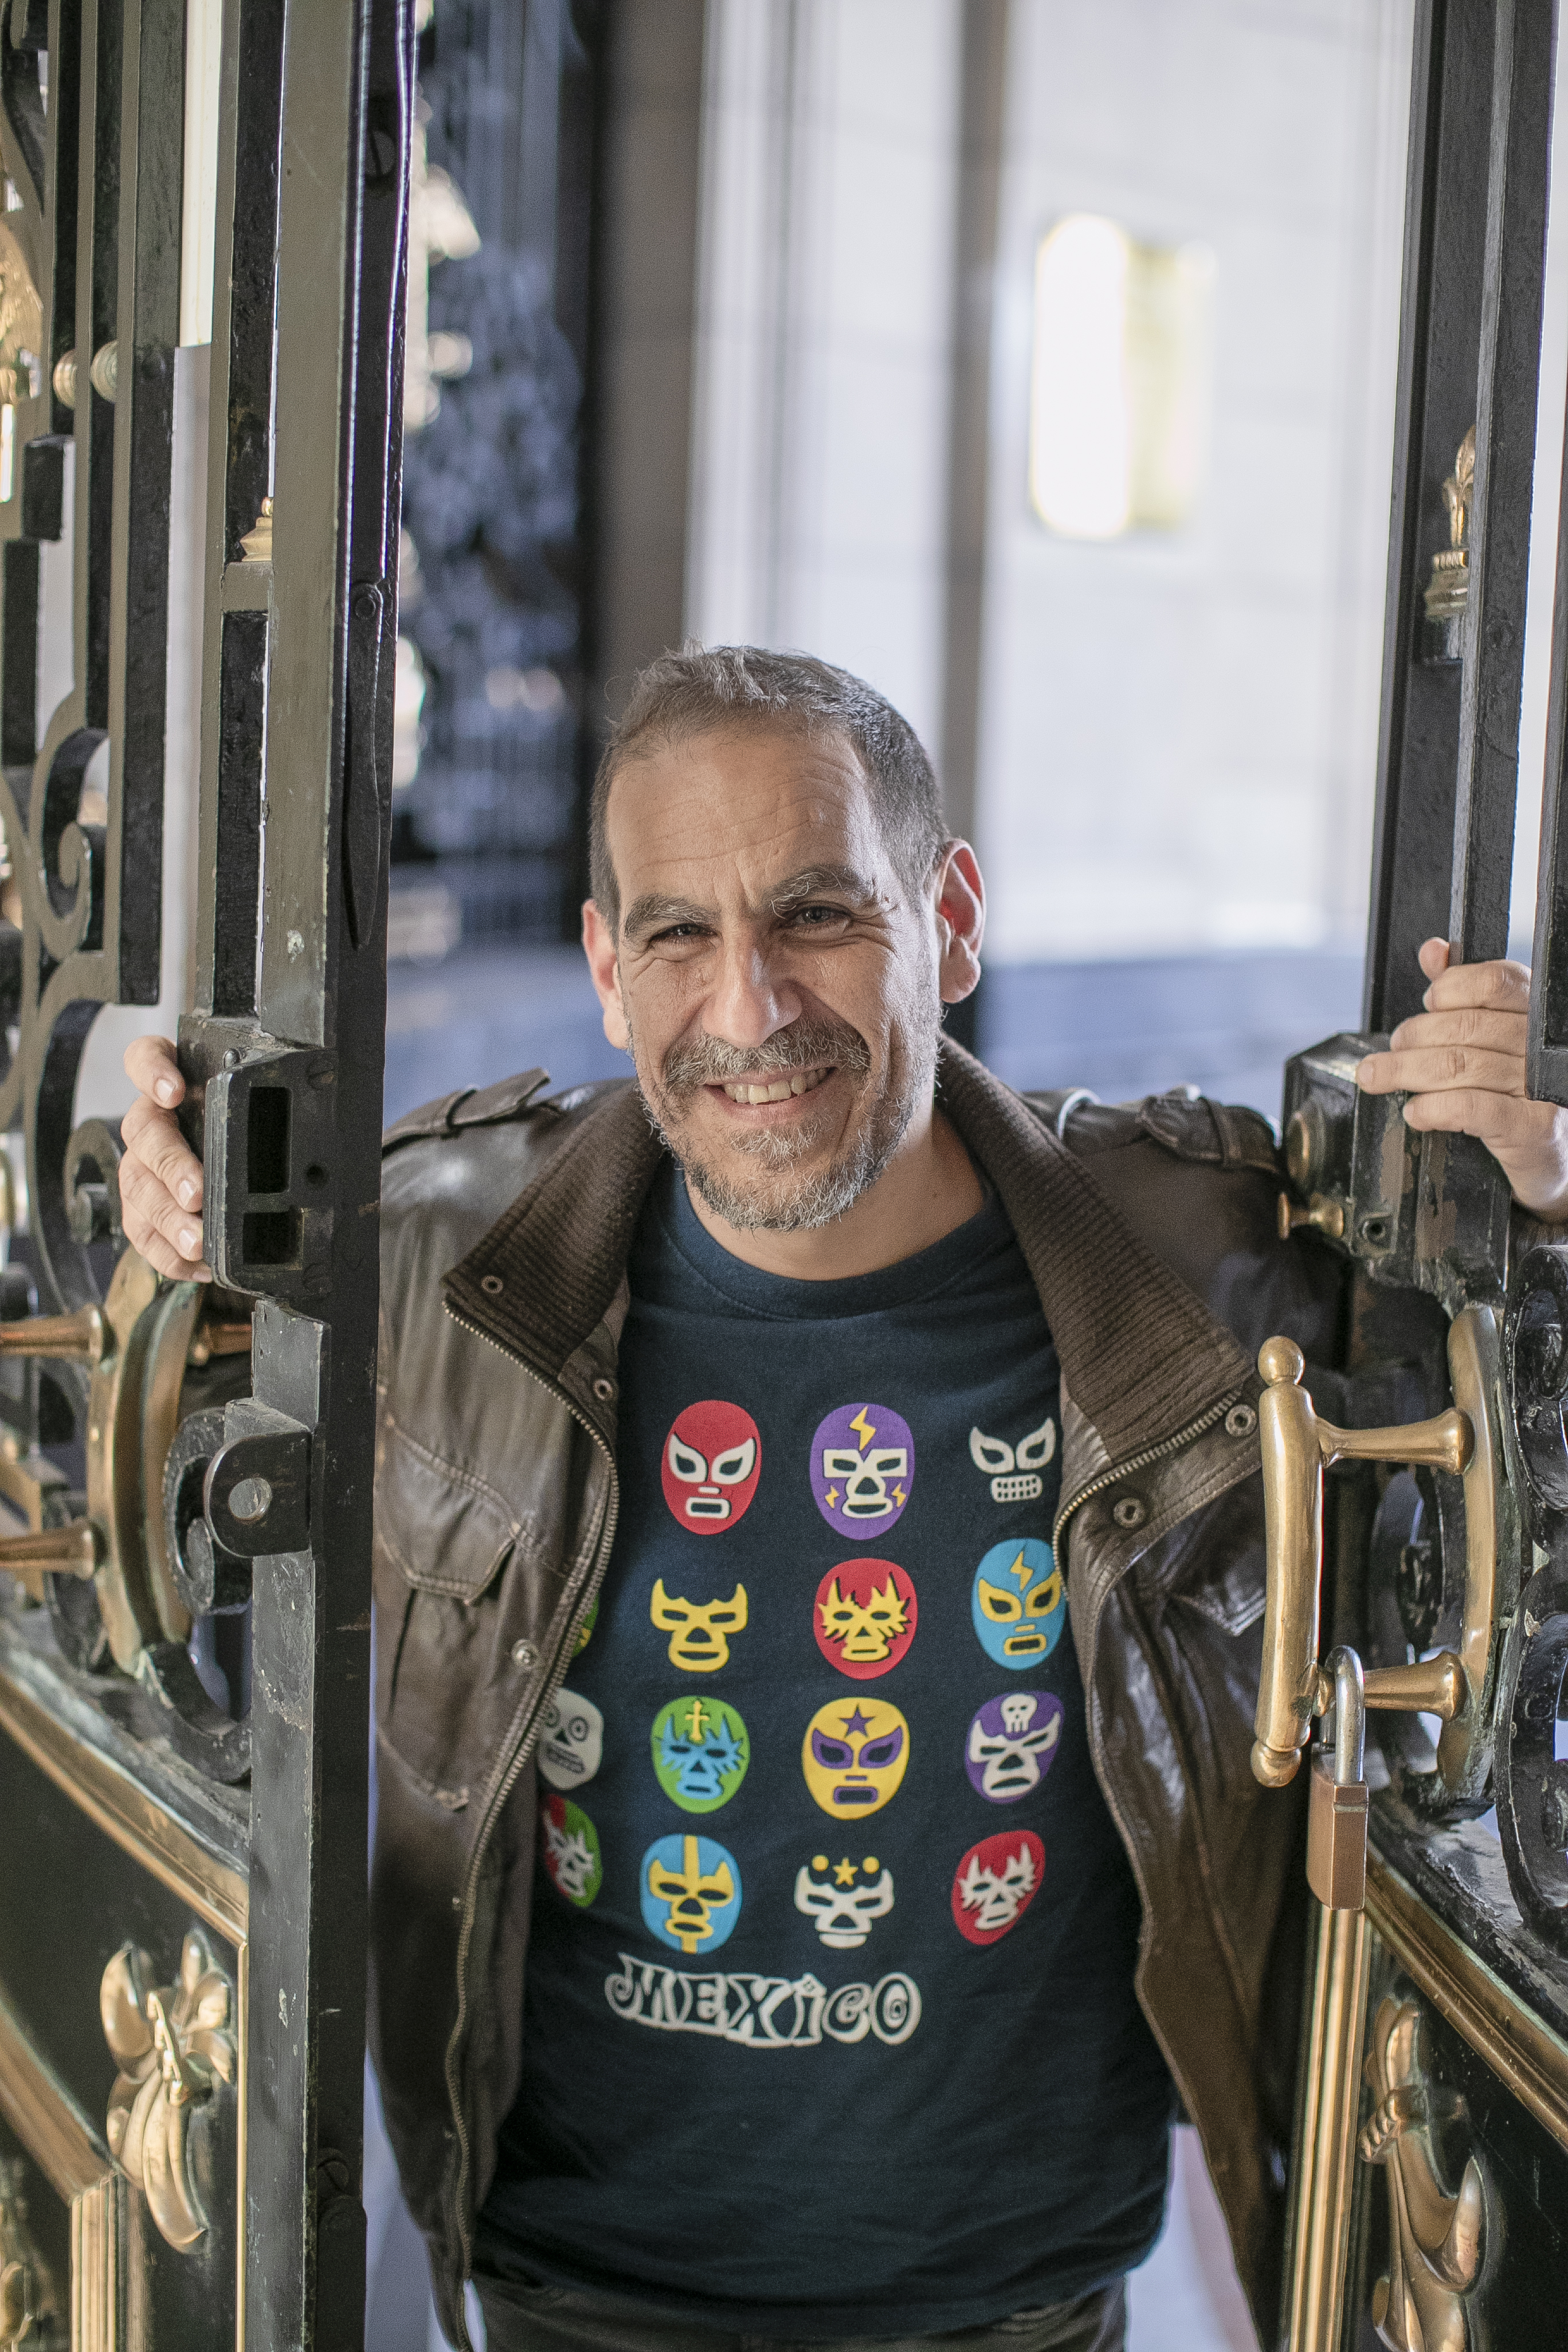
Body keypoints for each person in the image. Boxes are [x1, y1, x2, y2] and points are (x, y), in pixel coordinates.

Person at [118, 649, 1568, 2352]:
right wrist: (176, 1203)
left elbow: (1490, 1514)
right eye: (677, 936)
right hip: (571, 2287)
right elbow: (150, 1485)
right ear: (605, 968)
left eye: (818, 915)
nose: (747, 1011)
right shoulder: (433, 1256)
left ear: (948, 918)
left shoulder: (1209, 1263)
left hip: (1017, 2299)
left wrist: (1532, 1213)